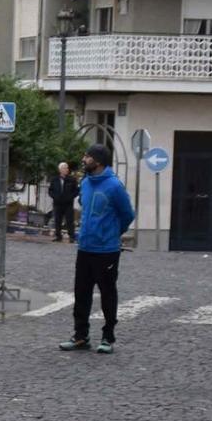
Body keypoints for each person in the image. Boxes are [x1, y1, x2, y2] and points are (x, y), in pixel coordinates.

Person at [59, 145, 135, 355]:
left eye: (88, 156)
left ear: (99, 161)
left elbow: (127, 214)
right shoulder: (85, 183)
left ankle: (108, 337)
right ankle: (80, 336)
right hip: (85, 247)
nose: (84, 159)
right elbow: (84, 206)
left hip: (106, 250)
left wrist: (112, 233)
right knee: (81, 293)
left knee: (107, 293)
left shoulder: (114, 186)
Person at [48, 161, 78, 242]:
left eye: (67, 168)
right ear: (60, 169)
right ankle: (58, 236)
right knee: (57, 220)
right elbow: (50, 190)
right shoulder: (54, 179)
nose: (67, 169)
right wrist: (55, 197)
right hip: (57, 203)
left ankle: (72, 237)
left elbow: (76, 191)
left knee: (69, 220)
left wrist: (70, 197)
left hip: (68, 204)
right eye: (65, 168)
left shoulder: (72, 179)